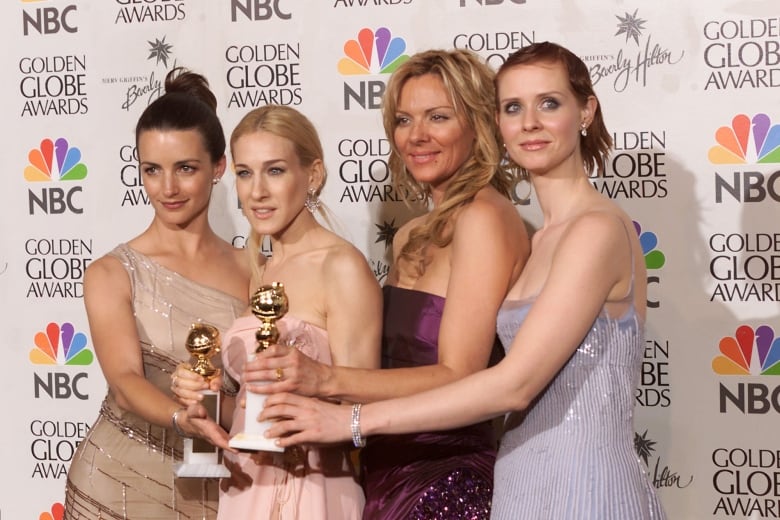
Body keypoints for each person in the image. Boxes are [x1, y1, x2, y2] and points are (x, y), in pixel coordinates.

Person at [260, 42, 668, 520]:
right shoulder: (541, 239)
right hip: (517, 483)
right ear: (499, 121)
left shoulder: (595, 230)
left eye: (549, 103)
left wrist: (347, 415)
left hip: (584, 485)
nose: (529, 122)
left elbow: (510, 386)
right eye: (513, 107)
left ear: (586, 111)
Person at [243, 49, 530, 519]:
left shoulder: (485, 217)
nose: (416, 136)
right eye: (403, 119)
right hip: (379, 471)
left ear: (479, 122)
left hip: (445, 478)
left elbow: (461, 373)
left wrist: (326, 378)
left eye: (438, 117)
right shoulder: (409, 235)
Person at [172, 104, 382, 519]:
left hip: (310, 488)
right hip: (247, 487)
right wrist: (209, 401)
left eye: (275, 171)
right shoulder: (262, 269)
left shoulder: (340, 266)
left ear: (313, 174)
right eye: (245, 173)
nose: (257, 192)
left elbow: (360, 412)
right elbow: (259, 417)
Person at [63, 68, 249, 520]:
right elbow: (126, 383)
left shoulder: (254, 271)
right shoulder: (111, 272)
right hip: (114, 482)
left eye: (186, 168)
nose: (167, 188)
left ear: (218, 167)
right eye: (152, 170)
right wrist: (180, 418)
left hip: (216, 485)